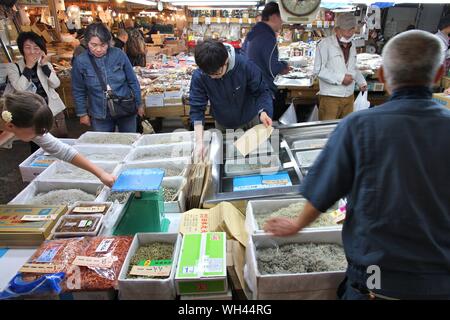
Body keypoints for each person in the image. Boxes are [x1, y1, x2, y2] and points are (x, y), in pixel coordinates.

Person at [264, 30, 450, 300]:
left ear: (384, 76)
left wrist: (295, 225)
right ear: (438, 74)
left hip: (377, 277)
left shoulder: (359, 126)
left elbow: (323, 191)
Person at [0, 92, 115, 187]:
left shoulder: (24, 123)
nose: (39, 136)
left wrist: (101, 174)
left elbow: (63, 151)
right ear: (10, 126)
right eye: (35, 133)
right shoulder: (18, 124)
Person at [189, 40, 273, 159]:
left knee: (254, 160)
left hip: (250, 122)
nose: (213, 77)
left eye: (217, 74)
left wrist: (264, 111)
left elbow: (261, 91)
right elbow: (197, 109)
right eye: (209, 75)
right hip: (223, 125)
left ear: (226, 61)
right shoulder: (200, 76)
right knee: (228, 160)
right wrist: (199, 141)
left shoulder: (245, 65)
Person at [71, 23, 144, 133]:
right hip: (99, 112)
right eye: (94, 45)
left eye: (103, 45)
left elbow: (132, 81)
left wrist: (139, 104)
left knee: (130, 140)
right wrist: (82, 113)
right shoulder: (80, 61)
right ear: (86, 43)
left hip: (124, 106)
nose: (99, 49)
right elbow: (78, 90)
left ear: (109, 43)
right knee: (103, 145)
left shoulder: (118, 54)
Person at [6, 31, 68, 153]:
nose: (32, 51)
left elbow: (56, 84)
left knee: (60, 142)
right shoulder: (14, 67)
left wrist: (45, 66)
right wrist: (28, 67)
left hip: (51, 110)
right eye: (27, 48)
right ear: (21, 49)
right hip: (31, 113)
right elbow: (20, 89)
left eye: (36, 48)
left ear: (41, 49)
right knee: (38, 146)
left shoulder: (45, 64)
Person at [313, 13, 367, 120]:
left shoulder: (352, 45)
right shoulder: (324, 44)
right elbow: (318, 70)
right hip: (330, 97)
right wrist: (341, 78)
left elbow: (352, 67)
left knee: (346, 129)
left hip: (349, 96)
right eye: (347, 30)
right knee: (328, 131)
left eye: (352, 30)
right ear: (337, 30)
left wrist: (361, 81)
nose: (350, 33)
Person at [242, 2, 290, 121]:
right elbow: (272, 67)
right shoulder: (268, 36)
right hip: (263, 88)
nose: (282, 23)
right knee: (266, 127)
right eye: (281, 19)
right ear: (274, 17)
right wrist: (284, 66)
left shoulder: (253, 32)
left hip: (249, 87)